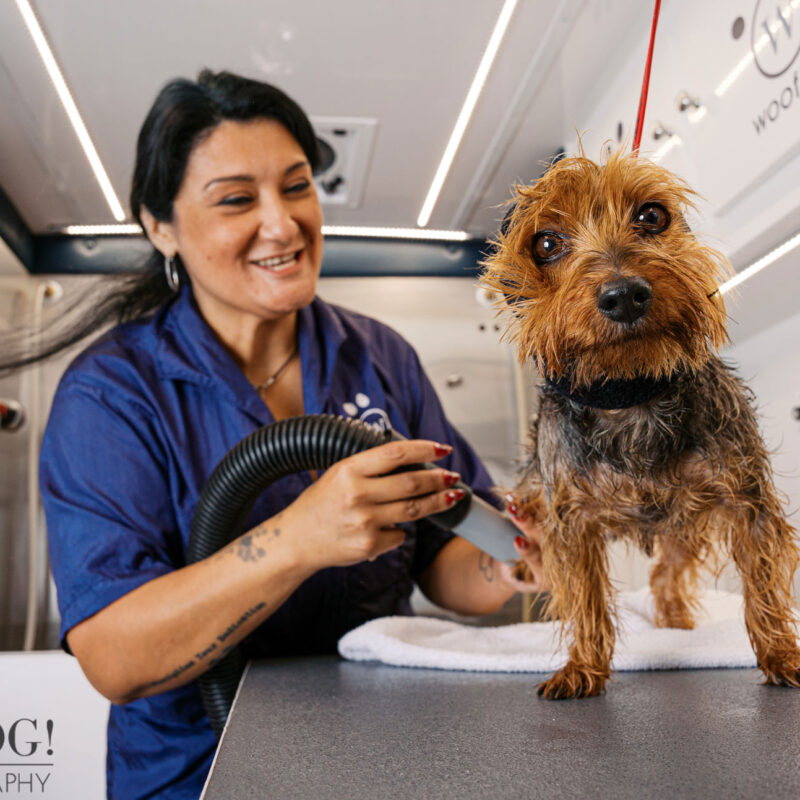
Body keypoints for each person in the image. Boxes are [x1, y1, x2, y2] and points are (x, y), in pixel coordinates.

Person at [28, 70, 542, 799]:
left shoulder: (380, 355)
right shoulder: (112, 394)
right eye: (237, 199)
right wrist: (302, 538)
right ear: (160, 227)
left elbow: (447, 556)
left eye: (297, 187)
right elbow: (115, 656)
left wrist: (512, 561)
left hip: (378, 759)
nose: (283, 223)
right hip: (197, 776)